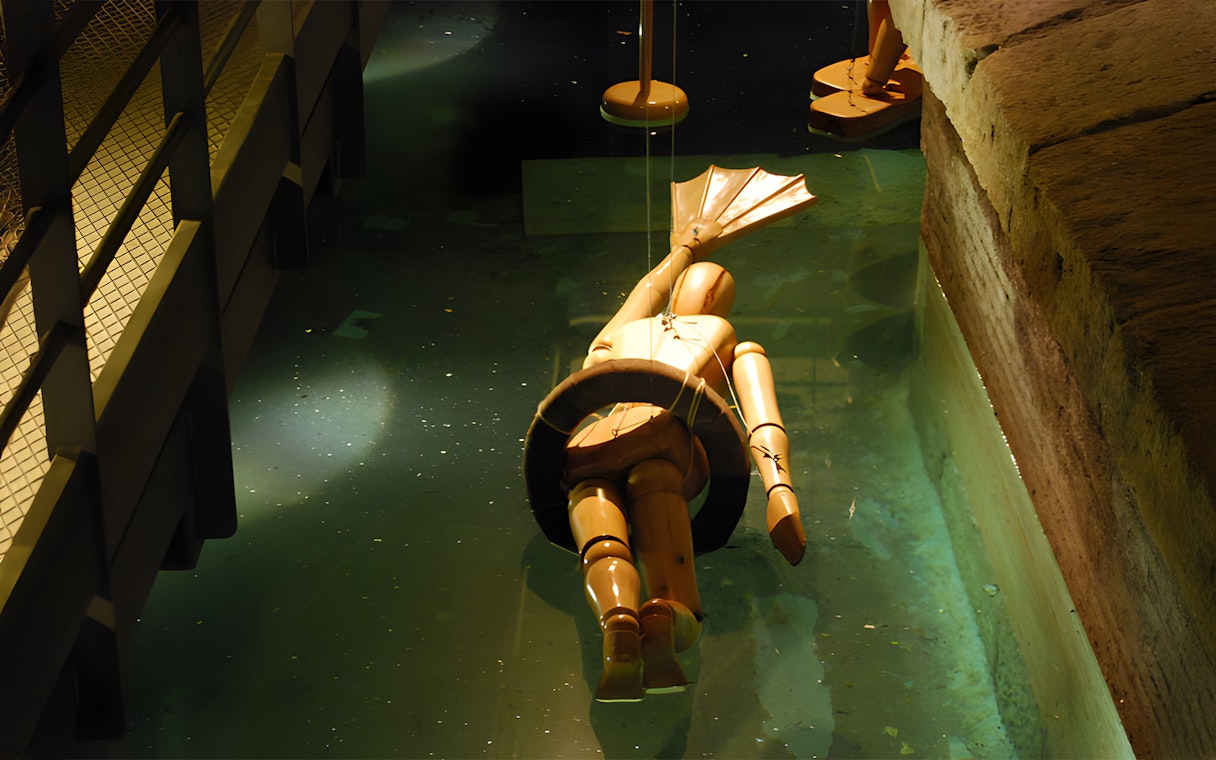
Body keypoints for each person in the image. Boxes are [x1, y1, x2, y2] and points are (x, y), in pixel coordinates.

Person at [524, 172, 811, 700]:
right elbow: (763, 419)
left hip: (605, 441)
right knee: (644, 517)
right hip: (650, 444)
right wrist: (779, 490)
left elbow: (759, 415)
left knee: (605, 521)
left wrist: (779, 491)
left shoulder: (640, 339)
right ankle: (651, 620)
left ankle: (629, 618)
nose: (704, 287)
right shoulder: (693, 339)